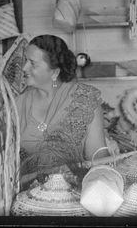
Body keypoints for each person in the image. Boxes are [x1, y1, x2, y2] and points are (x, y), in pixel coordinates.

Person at [15, 34, 109, 186]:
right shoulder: (17, 104)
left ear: (54, 72)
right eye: (25, 60)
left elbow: (98, 158)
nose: (24, 68)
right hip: (26, 198)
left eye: (32, 63)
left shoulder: (85, 99)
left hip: (74, 196)